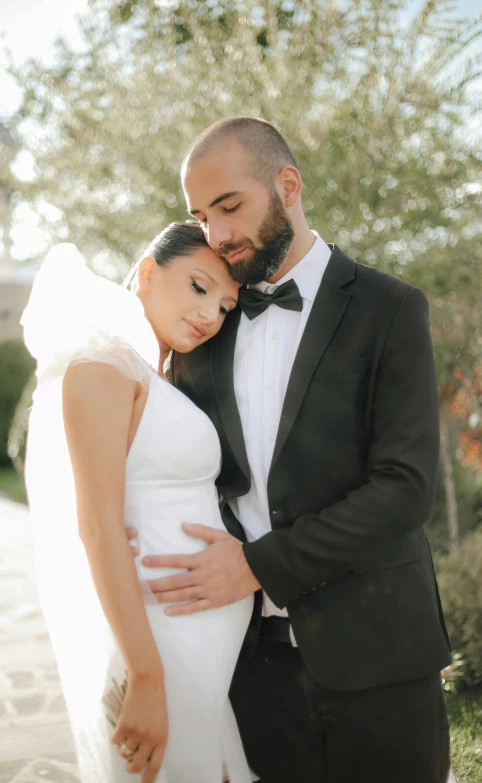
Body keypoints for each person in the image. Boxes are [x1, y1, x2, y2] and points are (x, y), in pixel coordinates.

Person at [140, 117, 453, 783]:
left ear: (288, 184)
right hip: (249, 671)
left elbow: (405, 487)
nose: (217, 234)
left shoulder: (390, 307)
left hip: (381, 662)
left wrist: (258, 564)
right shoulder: (205, 328)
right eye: (199, 215)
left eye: (230, 206)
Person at [21, 222, 254, 783]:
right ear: (148, 272)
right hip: (157, 648)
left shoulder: (152, 373)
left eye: (225, 306)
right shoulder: (101, 362)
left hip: (193, 650)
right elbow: (97, 527)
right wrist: (146, 676)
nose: (210, 315)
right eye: (199, 287)